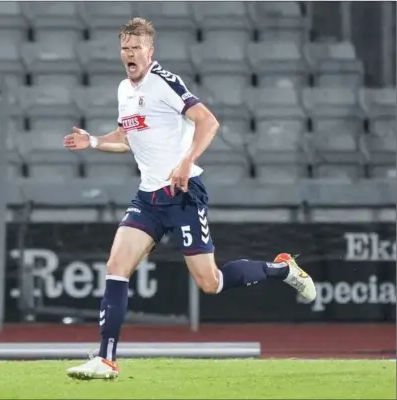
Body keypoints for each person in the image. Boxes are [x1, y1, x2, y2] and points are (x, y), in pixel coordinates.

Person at [62, 18, 317, 380]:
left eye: (136, 48)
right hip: (148, 197)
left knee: (210, 283)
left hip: (182, 194)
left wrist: (186, 161)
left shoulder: (165, 82)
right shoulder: (124, 89)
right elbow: (127, 136)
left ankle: (283, 269)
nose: (129, 54)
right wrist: (93, 141)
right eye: (125, 48)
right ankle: (105, 359)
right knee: (116, 267)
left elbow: (208, 121)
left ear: (150, 52)